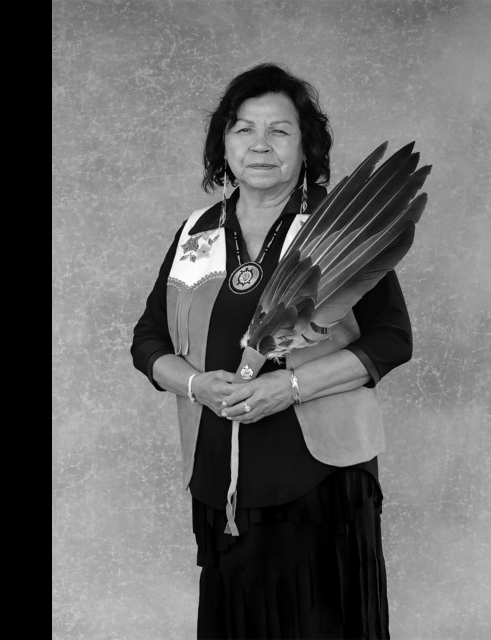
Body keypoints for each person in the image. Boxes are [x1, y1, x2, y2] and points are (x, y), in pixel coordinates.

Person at [131, 63, 412, 639]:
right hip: (220, 483)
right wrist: (195, 385)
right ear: (223, 144)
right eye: (243, 129)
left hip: (320, 481)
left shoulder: (337, 226)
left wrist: (289, 387)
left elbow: (392, 339)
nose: (259, 145)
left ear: (306, 144)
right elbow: (148, 340)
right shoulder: (196, 233)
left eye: (279, 130)